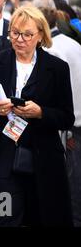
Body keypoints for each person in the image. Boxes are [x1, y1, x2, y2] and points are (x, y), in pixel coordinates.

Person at [0, 6, 74, 226]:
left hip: (43, 161)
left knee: (41, 217)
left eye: (27, 34)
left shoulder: (56, 68)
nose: (20, 39)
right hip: (2, 161)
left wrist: (41, 113)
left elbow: (66, 117)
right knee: (5, 217)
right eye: (15, 33)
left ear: (41, 36)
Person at [46, 18, 81, 226]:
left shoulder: (53, 50)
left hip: (67, 132)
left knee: (68, 193)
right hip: (74, 126)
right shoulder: (73, 44)